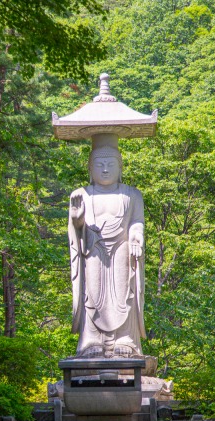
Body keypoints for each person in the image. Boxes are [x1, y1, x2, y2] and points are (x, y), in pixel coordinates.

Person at [68, 134, 146, 358]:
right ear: (90, 168)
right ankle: (91, 340)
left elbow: (136, 222)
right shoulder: (81, 194)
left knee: (125, 291)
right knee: (91, 293)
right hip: (92, 249)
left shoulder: (132, 194)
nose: (104, 169)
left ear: (120, 167)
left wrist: (136, 238)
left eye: (110, 164)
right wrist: (77, 220)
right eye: (99, 164)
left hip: (122, 249)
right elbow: (76, 229)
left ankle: (126, 339)